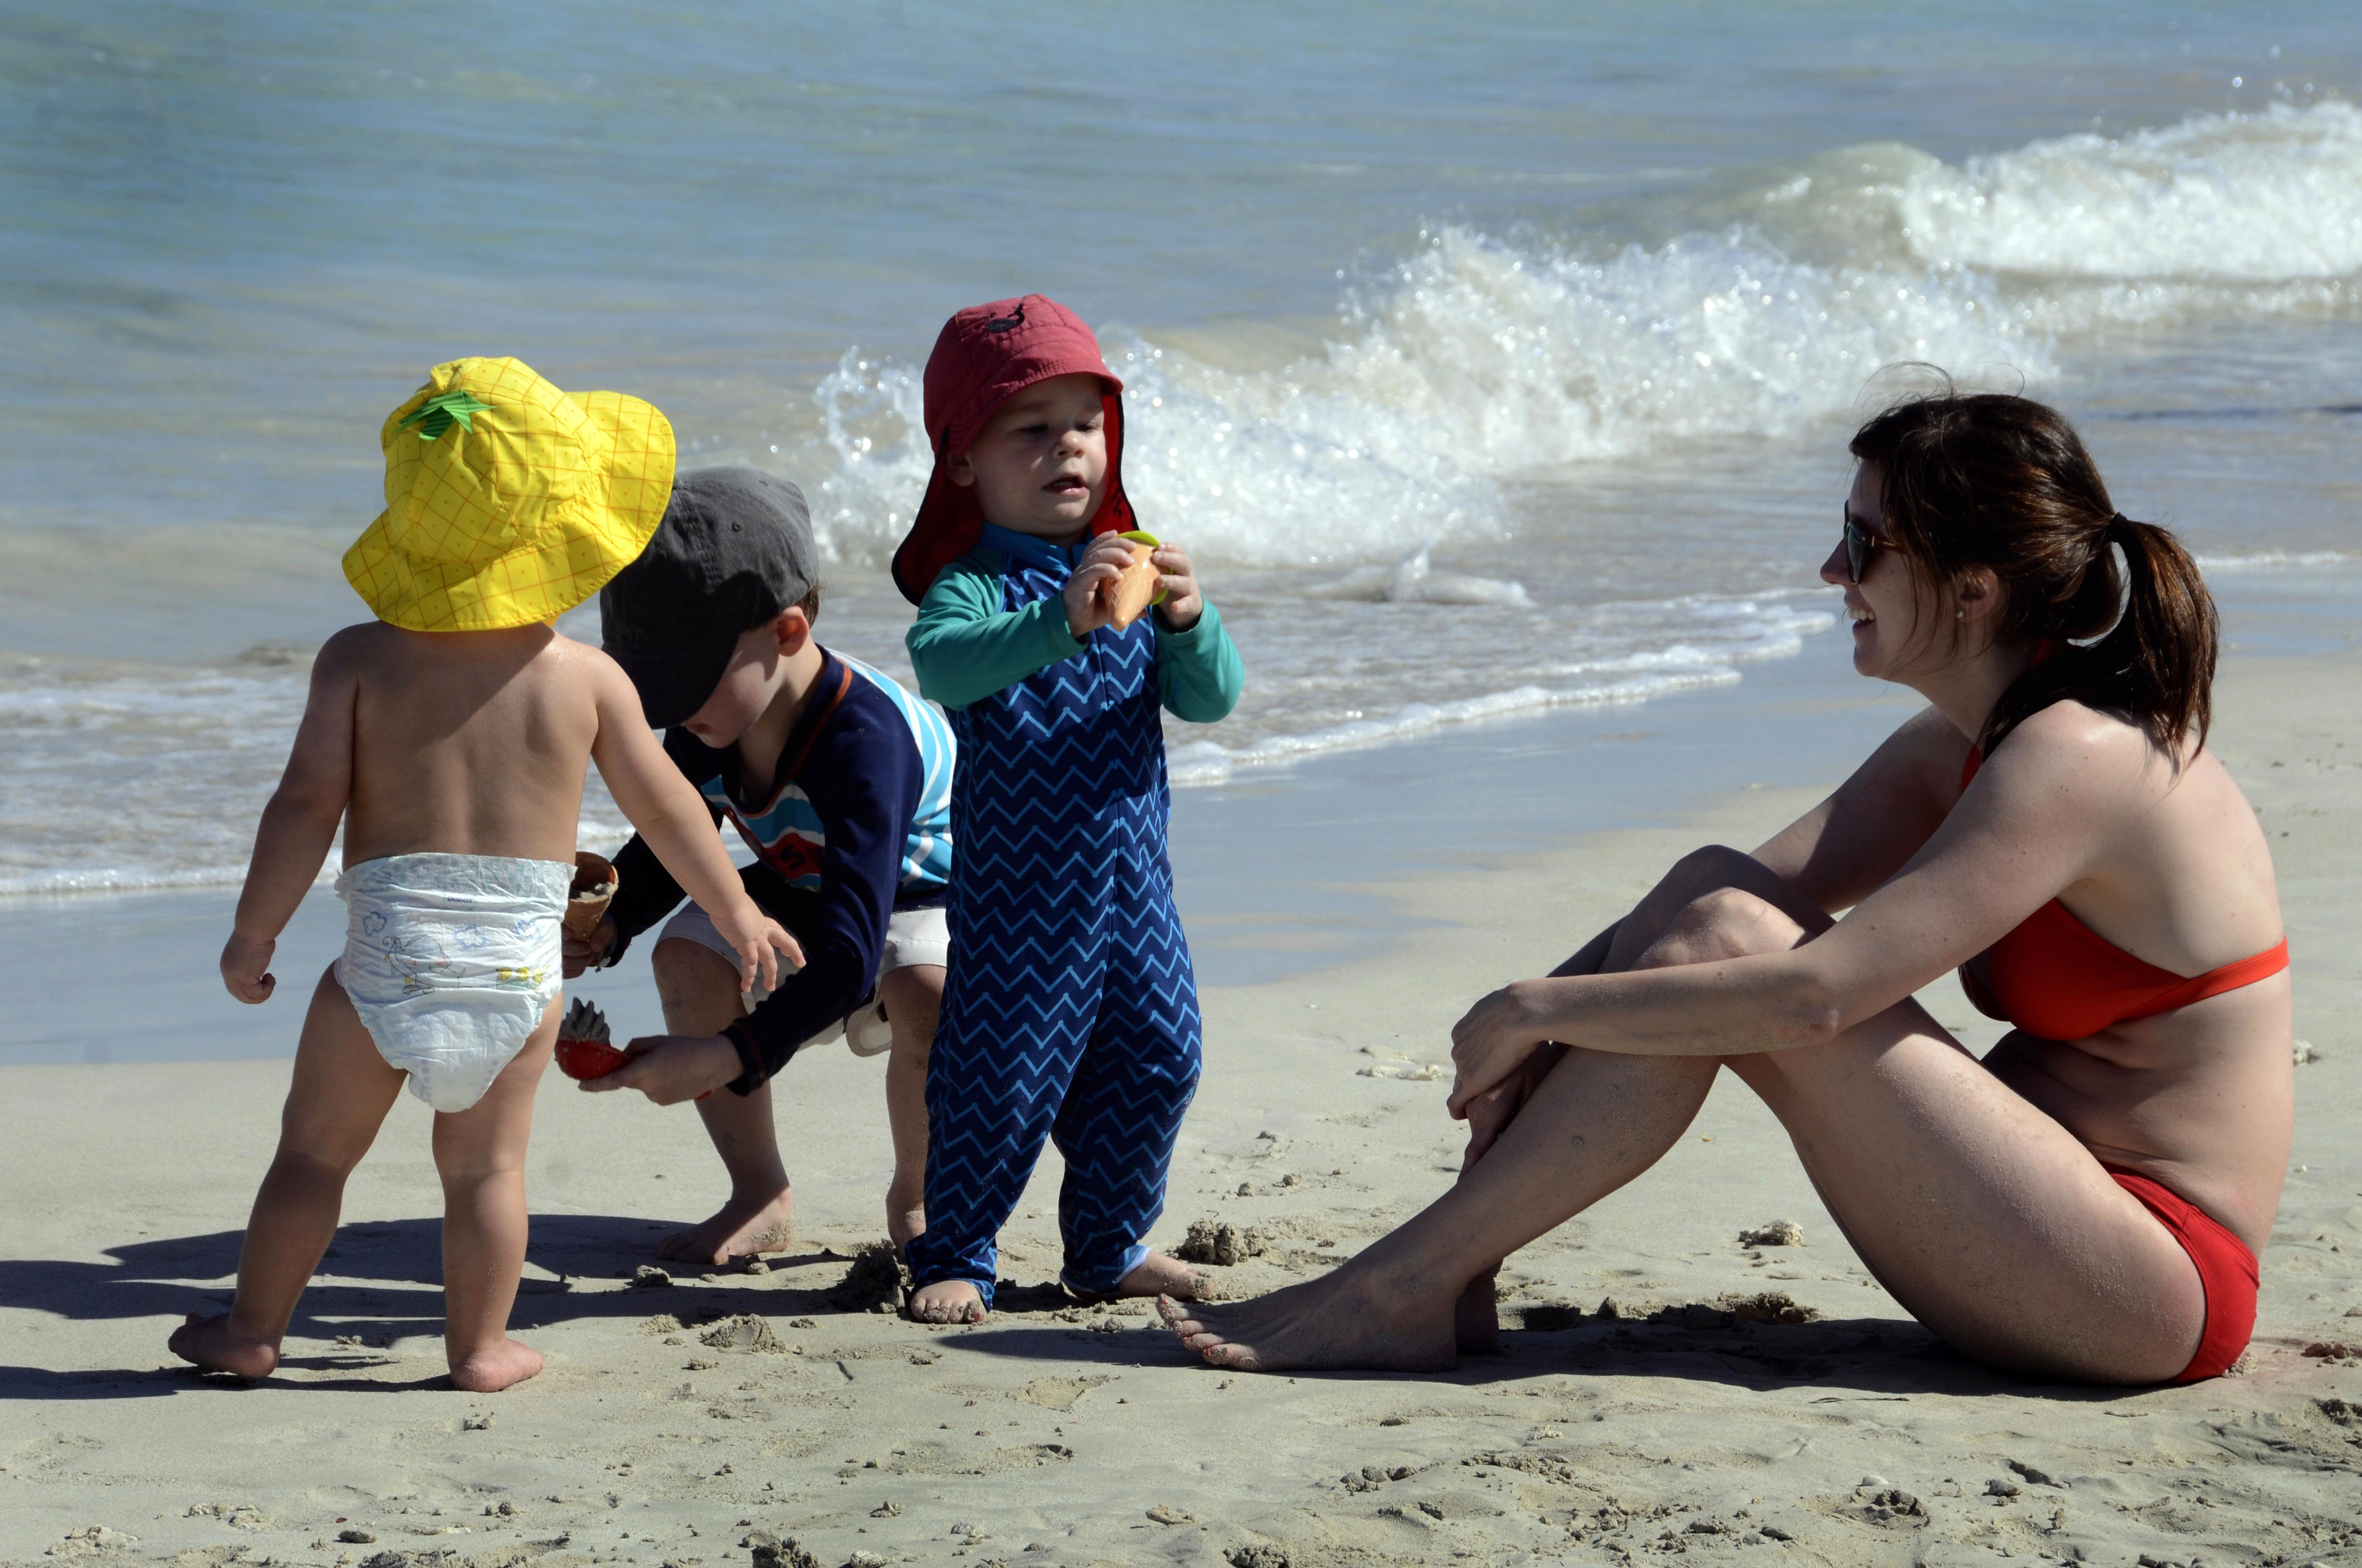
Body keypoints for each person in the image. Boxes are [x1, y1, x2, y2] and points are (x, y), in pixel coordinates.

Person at [1164, 386, 2291, 1385]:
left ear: (1973, 588)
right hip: (2032, 1226)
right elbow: (1709, 901)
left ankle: (1398, 1286)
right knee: (1711, 890)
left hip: (2152, 1281)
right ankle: (1441, 1272)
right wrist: (1534, 1033)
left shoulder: (2076, 757)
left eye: (1865, 543)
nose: (1831, 571)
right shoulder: (1961, 749)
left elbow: (1812, 998)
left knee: (1725, 938)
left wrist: (1528, 1010)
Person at [171, 358, 796, 1392]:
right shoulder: (587, 680)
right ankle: (479, 1349)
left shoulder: (357, 659)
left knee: (313, 1160)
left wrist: (255, 935)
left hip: (384, 965)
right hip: (516, 972)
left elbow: (302, 807)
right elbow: (670, 806)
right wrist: (733, 909)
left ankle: (250, 1330)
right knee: (486, 1172)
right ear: (560, 534)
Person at [893, 295, 1246, 1323]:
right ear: (964, 461)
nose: (1066, 450)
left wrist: (1189, 618)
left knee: (1160, 1056)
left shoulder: (1134, 557)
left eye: (1083, 425)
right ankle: (955, 1250)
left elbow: (1210, 699)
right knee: (1002, 1078)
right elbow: (944, 669)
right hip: (1021, 896)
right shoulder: (973, 589)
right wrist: (1056, 617)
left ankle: (1105, 1245)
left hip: (1136, 889)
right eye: (1029, 431)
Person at [564, 467, 957, 1262]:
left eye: (683, 682)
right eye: (650, 686)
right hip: (801, 877)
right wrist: (608, 928)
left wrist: (726, 1054)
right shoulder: (705, 716)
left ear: (788, 631)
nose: (667, 709)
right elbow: (679, 844)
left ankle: (917, 1197)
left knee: (925, 989)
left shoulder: (865, 747)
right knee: (686, 953)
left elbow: (852, 956)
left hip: (929, 892)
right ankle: (758, 1193)